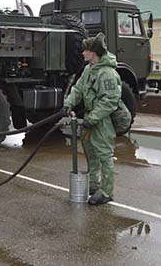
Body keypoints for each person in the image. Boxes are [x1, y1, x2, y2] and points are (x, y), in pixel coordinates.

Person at [61, 32, 122, 205]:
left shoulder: (107, 74)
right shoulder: (89, 69)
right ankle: (94, 184)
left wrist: (93, 118)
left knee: (104, 155)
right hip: (90, 118)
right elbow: (78, 89)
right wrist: (68, 104)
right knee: (91, 153)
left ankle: (107, 191)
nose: (82, 53)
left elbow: (110, 100)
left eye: (85, 51)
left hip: (102, 121)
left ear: (93, 53)